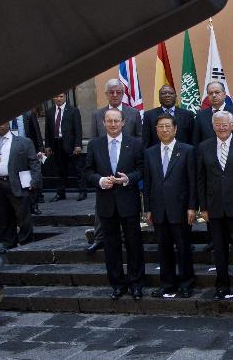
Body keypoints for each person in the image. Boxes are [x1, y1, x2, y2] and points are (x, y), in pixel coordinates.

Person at [84, 108, 145, 299]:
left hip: (128, 201)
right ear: (103, 123)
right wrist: (100, 181)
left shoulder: (134, 144)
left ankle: (136, 283)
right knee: (111, 246)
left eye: (116, 121)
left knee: (134, 244)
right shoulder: (95, 145)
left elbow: (142, 169)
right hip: (106, 203)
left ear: (123, 122)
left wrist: (128, 179)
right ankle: (117, 284)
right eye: (109, 121)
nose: (113, 124)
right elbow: (87, 172)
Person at [197, 110, 233, 300]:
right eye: (218, 124)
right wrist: (203, 207)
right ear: (213, 126)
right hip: (214, 207)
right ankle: (222, 285)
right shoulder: (204, 147)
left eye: (225, 124)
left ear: (232, 125)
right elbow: (200, 179)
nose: (222, 127)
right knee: (219, 250)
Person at [143, 113, 196, 298]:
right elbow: (147, 183)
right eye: (161, 127)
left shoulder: (188, 150)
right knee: (163, 248)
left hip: (181, 209)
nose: (164, 130)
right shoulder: (149, 152)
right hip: (158, 209)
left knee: (183, 248)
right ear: (156, 130)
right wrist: (147, 208)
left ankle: (186, 283)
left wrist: (192, 207)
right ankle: (167, 283)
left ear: (175, 129)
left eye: (168, 127)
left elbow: (192, 181)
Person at [87, 79, 142, 254]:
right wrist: (101, 179)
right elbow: (93, 144)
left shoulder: (133, 113)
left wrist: (129, 175)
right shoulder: (97, 115)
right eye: (112, 92)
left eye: (119, 92)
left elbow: (140, 139)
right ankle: (99, 238)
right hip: (105, 187)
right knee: (109, 236)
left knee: (132, 238)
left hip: (127, 179)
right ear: (106, 94)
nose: (115, 95)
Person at [0, 121, 41, 253]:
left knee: (23, 216)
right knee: (2, 216)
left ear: (8, 124)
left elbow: (34, 162)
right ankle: (8, 243)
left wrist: (34, 181)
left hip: (17, 183)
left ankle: (26, 243)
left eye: (1, 123)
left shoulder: (23, 142)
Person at [45, 92, 87, 202]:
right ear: (53, 98)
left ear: (65, 97)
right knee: (59, 171)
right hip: (56, 144)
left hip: (71, 145)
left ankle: (82, 192)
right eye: (56, 96)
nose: (58, 98)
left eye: (61, 96)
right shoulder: (49, 112)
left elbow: (78, 129)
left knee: (78, 169)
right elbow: (47, 131)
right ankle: (60, 193)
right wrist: (48, 146)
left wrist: (78, 145)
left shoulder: (73, 110)